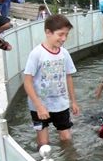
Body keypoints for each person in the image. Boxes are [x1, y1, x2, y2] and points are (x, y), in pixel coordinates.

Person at [23, 14, 80, 148]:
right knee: (43, 142)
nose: (64, 39)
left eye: (66, 35)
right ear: (48, 32)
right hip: (38, 106)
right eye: (60, 34)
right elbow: (27, 81)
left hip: (61, 104)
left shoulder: (64, 53)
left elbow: (68, 77)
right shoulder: (36, 53)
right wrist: (39, 106)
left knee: (66, 137)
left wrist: (73, 101)